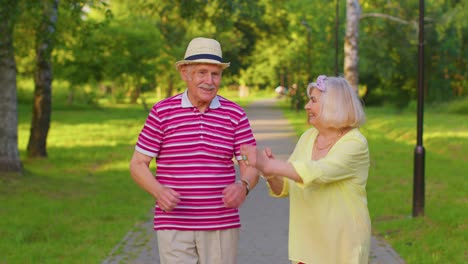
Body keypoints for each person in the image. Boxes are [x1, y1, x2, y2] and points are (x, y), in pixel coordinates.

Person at [129, 37, 259, 264]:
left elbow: (250, 164)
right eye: (201, 72)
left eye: (215, 74)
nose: (209, 81)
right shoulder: (162, 112)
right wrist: (158, 192)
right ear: (184, 73)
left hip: (220, 224)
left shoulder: (235, 114)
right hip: (174, 224)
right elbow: (138, 164)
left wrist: (244, 186)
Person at [241, 75, 371, 264]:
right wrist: (269, 173)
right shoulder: (308, 137)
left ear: (333, 105)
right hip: (306, 247)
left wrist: (270, 164)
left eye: (313, 101)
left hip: (341, 248)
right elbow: (285, 187)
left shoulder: (355, 142)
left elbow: (318, 172)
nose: (306, 107)